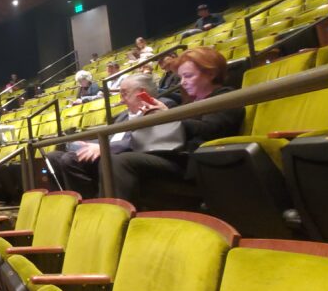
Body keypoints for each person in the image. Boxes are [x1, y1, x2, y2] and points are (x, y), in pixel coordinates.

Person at [109, 47, 244, 203]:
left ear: (211, 73)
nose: (182, 83)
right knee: (112, 157)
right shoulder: (190, 102)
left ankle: (120, 218)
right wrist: (165, 116)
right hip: (174, 155)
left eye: (188, 76)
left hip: (196, 162)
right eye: (180, 77)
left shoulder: (226, 96)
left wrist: (168, 117)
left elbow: (211, 129)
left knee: (121, 161)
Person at [45, 74, 170, 196]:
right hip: (108, 151)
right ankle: (67, 204)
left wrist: (104, 147)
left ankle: (90, 207)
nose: (121, 99)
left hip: (127, 155)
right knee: (53, 157)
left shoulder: (161, 107)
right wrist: (90, 144)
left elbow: (144, 139)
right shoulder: (123, 115)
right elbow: (111, 138)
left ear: (141, 92)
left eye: (124, 94)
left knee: (70, 159)